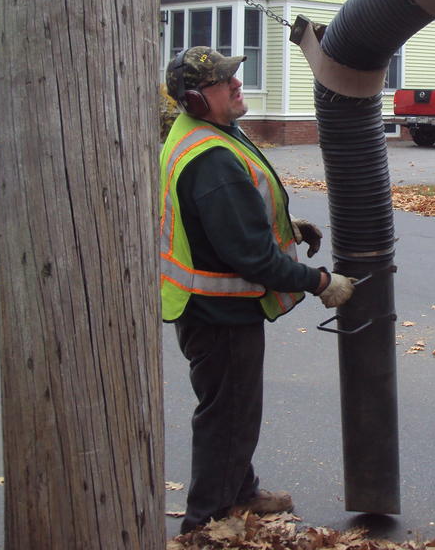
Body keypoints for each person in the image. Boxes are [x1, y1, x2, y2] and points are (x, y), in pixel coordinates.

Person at [159, 46, 356, 535]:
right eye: (222, 81)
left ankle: (241, 492)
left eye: (232, 75)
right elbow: (251, 258)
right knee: (227, 416)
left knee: (233, 410)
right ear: (196, 99)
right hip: (219, 312)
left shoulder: (204, 133)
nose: (236, 84)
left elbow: (228, 217)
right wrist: (321, 282)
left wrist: (288, 226)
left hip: (210, 307)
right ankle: (205, 524)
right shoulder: (211, 159)